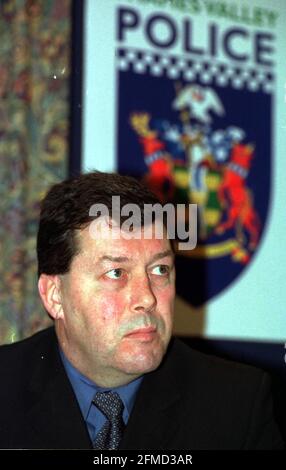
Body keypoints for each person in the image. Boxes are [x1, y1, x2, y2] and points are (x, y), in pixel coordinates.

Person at [0, 171, 283, 450]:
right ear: (54, 295)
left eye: (160, 270)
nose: (147, 297)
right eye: (116, 273)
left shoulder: (236, 404)